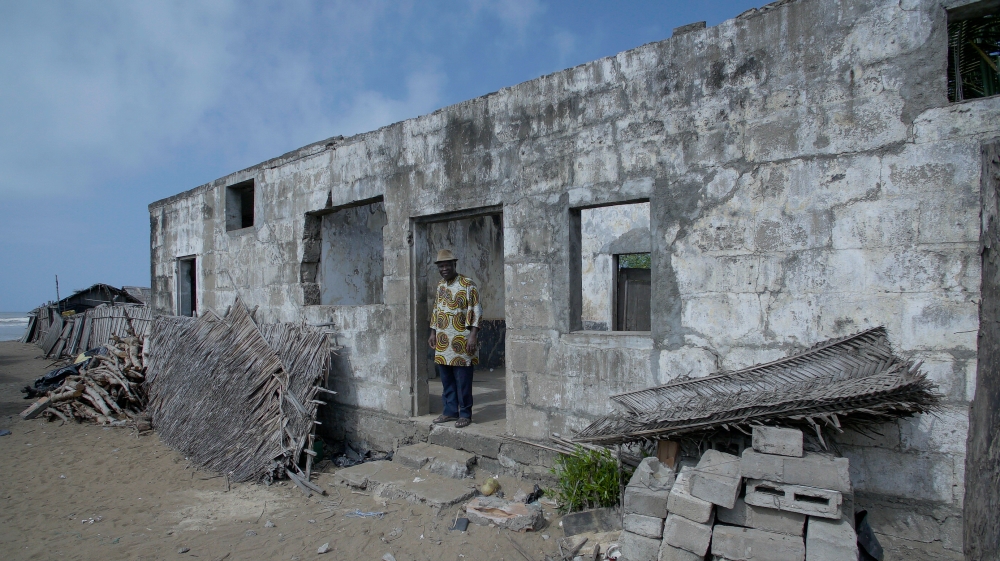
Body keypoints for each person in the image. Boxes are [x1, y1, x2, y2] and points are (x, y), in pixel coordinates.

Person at [427, 249, 482, 428]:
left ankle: (465, 413)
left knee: (463, 380)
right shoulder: (440, 286)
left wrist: (473, 335)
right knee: (446, 379)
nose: (444, 269)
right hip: (443, 341)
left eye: (447, 265)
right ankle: (450, 411)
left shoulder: (468, 284)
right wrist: (433, 332)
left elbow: (476, 310)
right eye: (441, 266)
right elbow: (436, 310)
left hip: (462, 341)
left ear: (454, 265)